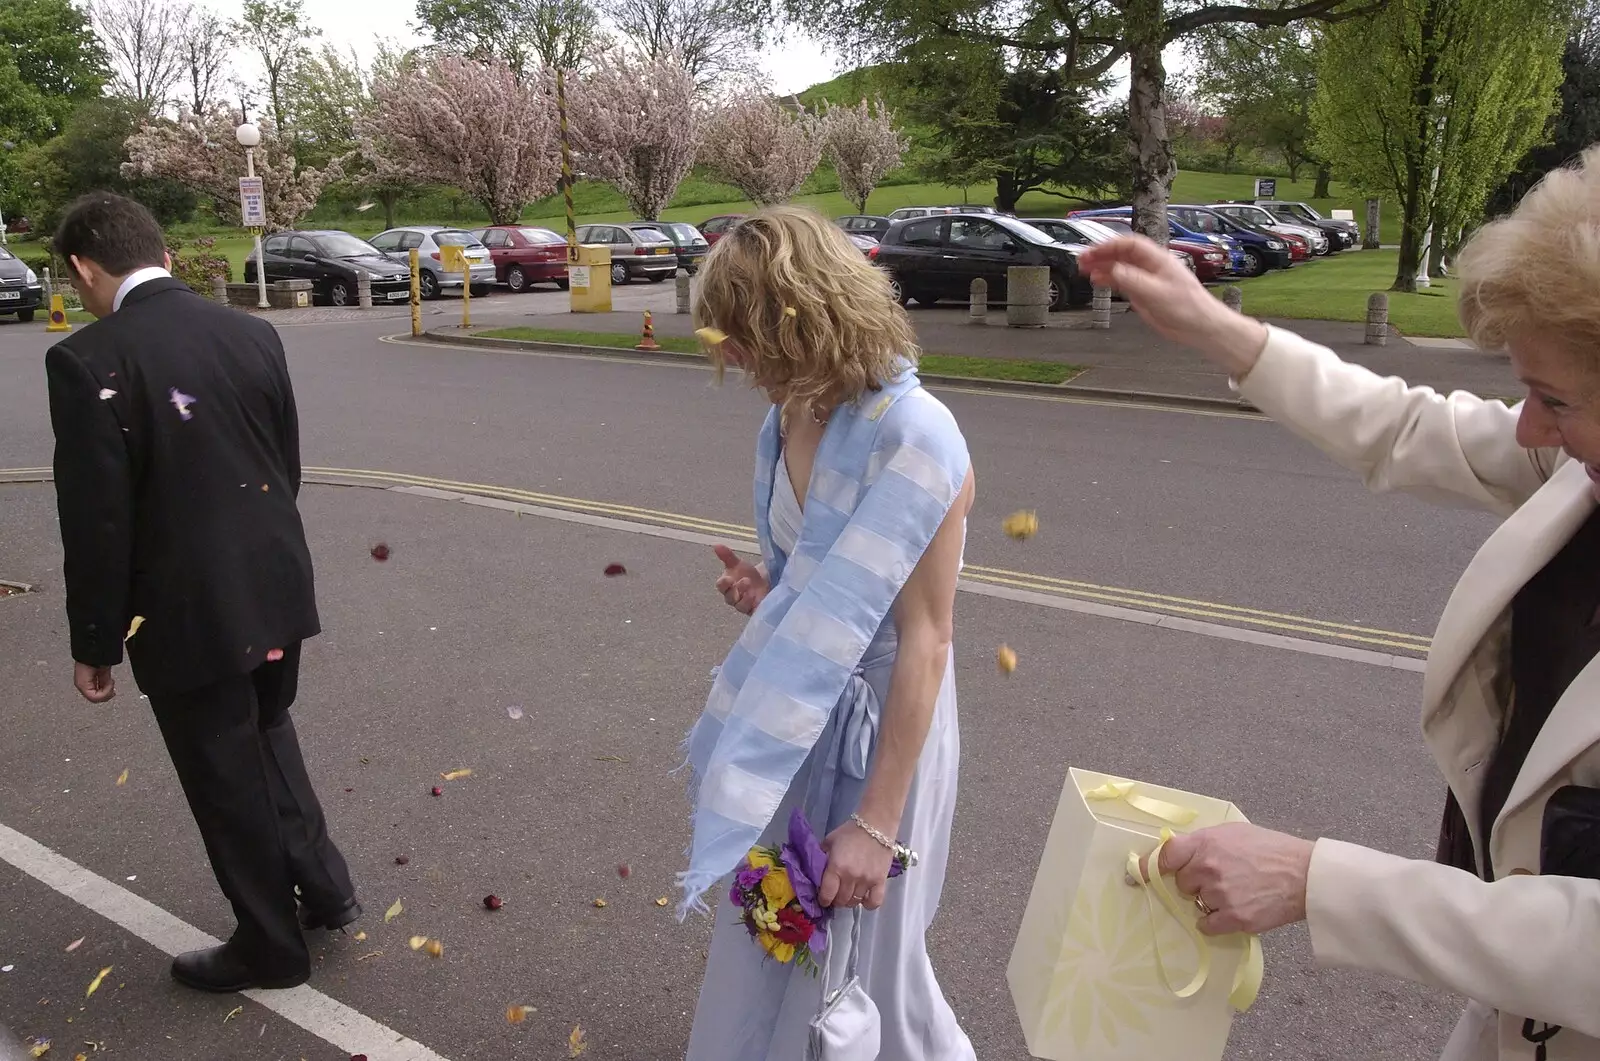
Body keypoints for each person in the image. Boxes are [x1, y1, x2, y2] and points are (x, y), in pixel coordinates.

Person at [1079, 154, 1600, 1061]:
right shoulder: (1577, 464)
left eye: (1554, 399)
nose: (1528, 430)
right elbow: (1408, 427)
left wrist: (1316, 880)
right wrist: (1214, 328)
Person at [678, 206, 977, 1061]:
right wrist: (767, 591)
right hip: (797, 715)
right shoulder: (785, 419)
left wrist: (878, 824)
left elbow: (926, 638)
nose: (726, 355)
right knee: (781, 919)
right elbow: (825, 583)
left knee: (865, 955)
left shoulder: (916, 436)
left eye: (740, 333)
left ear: (795, 318)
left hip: (886, 729)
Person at [44, 193, 358, 993]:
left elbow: (98, 522)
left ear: (85, 266)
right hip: (275, 578)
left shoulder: (88, 359)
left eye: (76, 280)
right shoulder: (250, 331)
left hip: (187, 604)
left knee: (223, 768)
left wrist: (94, 642)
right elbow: (283, 462)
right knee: (266, 729)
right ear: (166, 254)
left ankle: (268, 944)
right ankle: (325, 888)